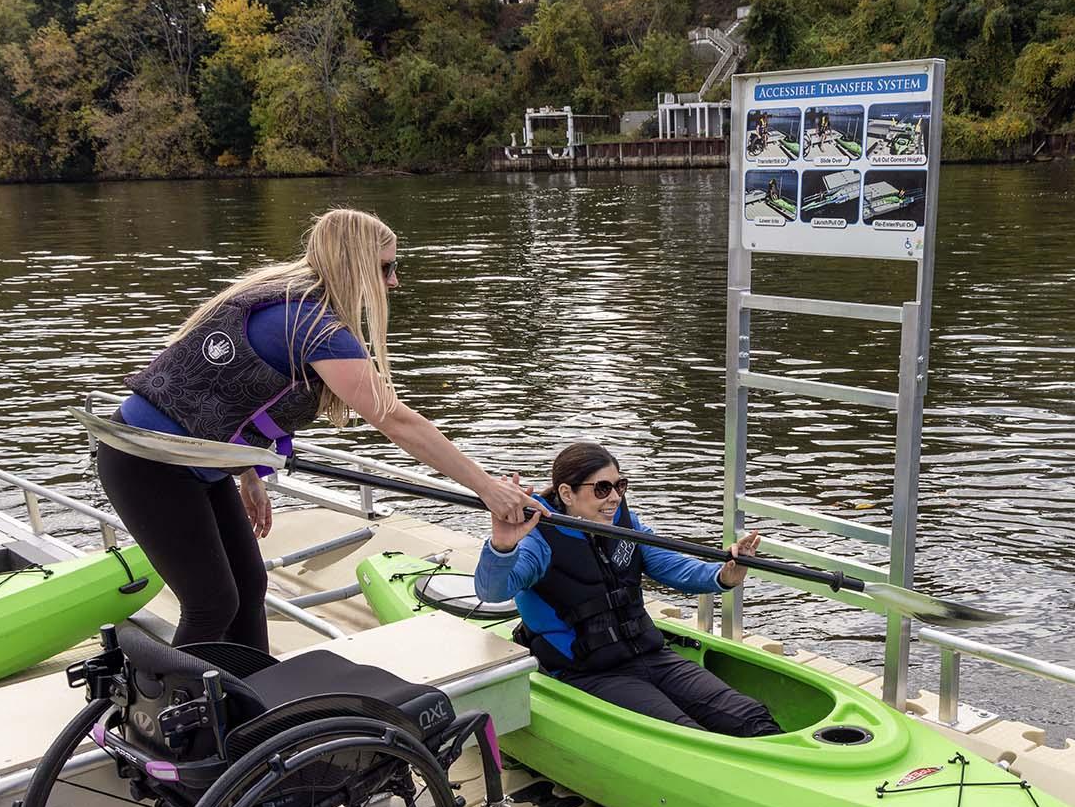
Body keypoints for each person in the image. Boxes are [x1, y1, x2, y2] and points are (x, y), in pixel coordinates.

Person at [100, 207, 529, 650]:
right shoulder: (311, 326)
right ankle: (173, 713)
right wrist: (486, 488)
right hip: (147, 462)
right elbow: (396, 420)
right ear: (354, 265)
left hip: (196, 462)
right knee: (211, 604)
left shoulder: (291, 300)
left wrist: (250, 474)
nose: (394, 282)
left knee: (248, 590)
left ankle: (251, 702)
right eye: (386, 267)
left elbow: (225, 398)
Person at [474, 443, 782, 737]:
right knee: (686, 733)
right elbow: (492, 591)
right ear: (566, 493)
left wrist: (723, 575)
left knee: (751, 717)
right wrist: (502, 546)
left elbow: (671, 565)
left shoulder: (625, 523)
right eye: (602, 489)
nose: (614, 498)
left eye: (620, 486)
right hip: (589, 672)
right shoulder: (539, 540)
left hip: (650, 654)